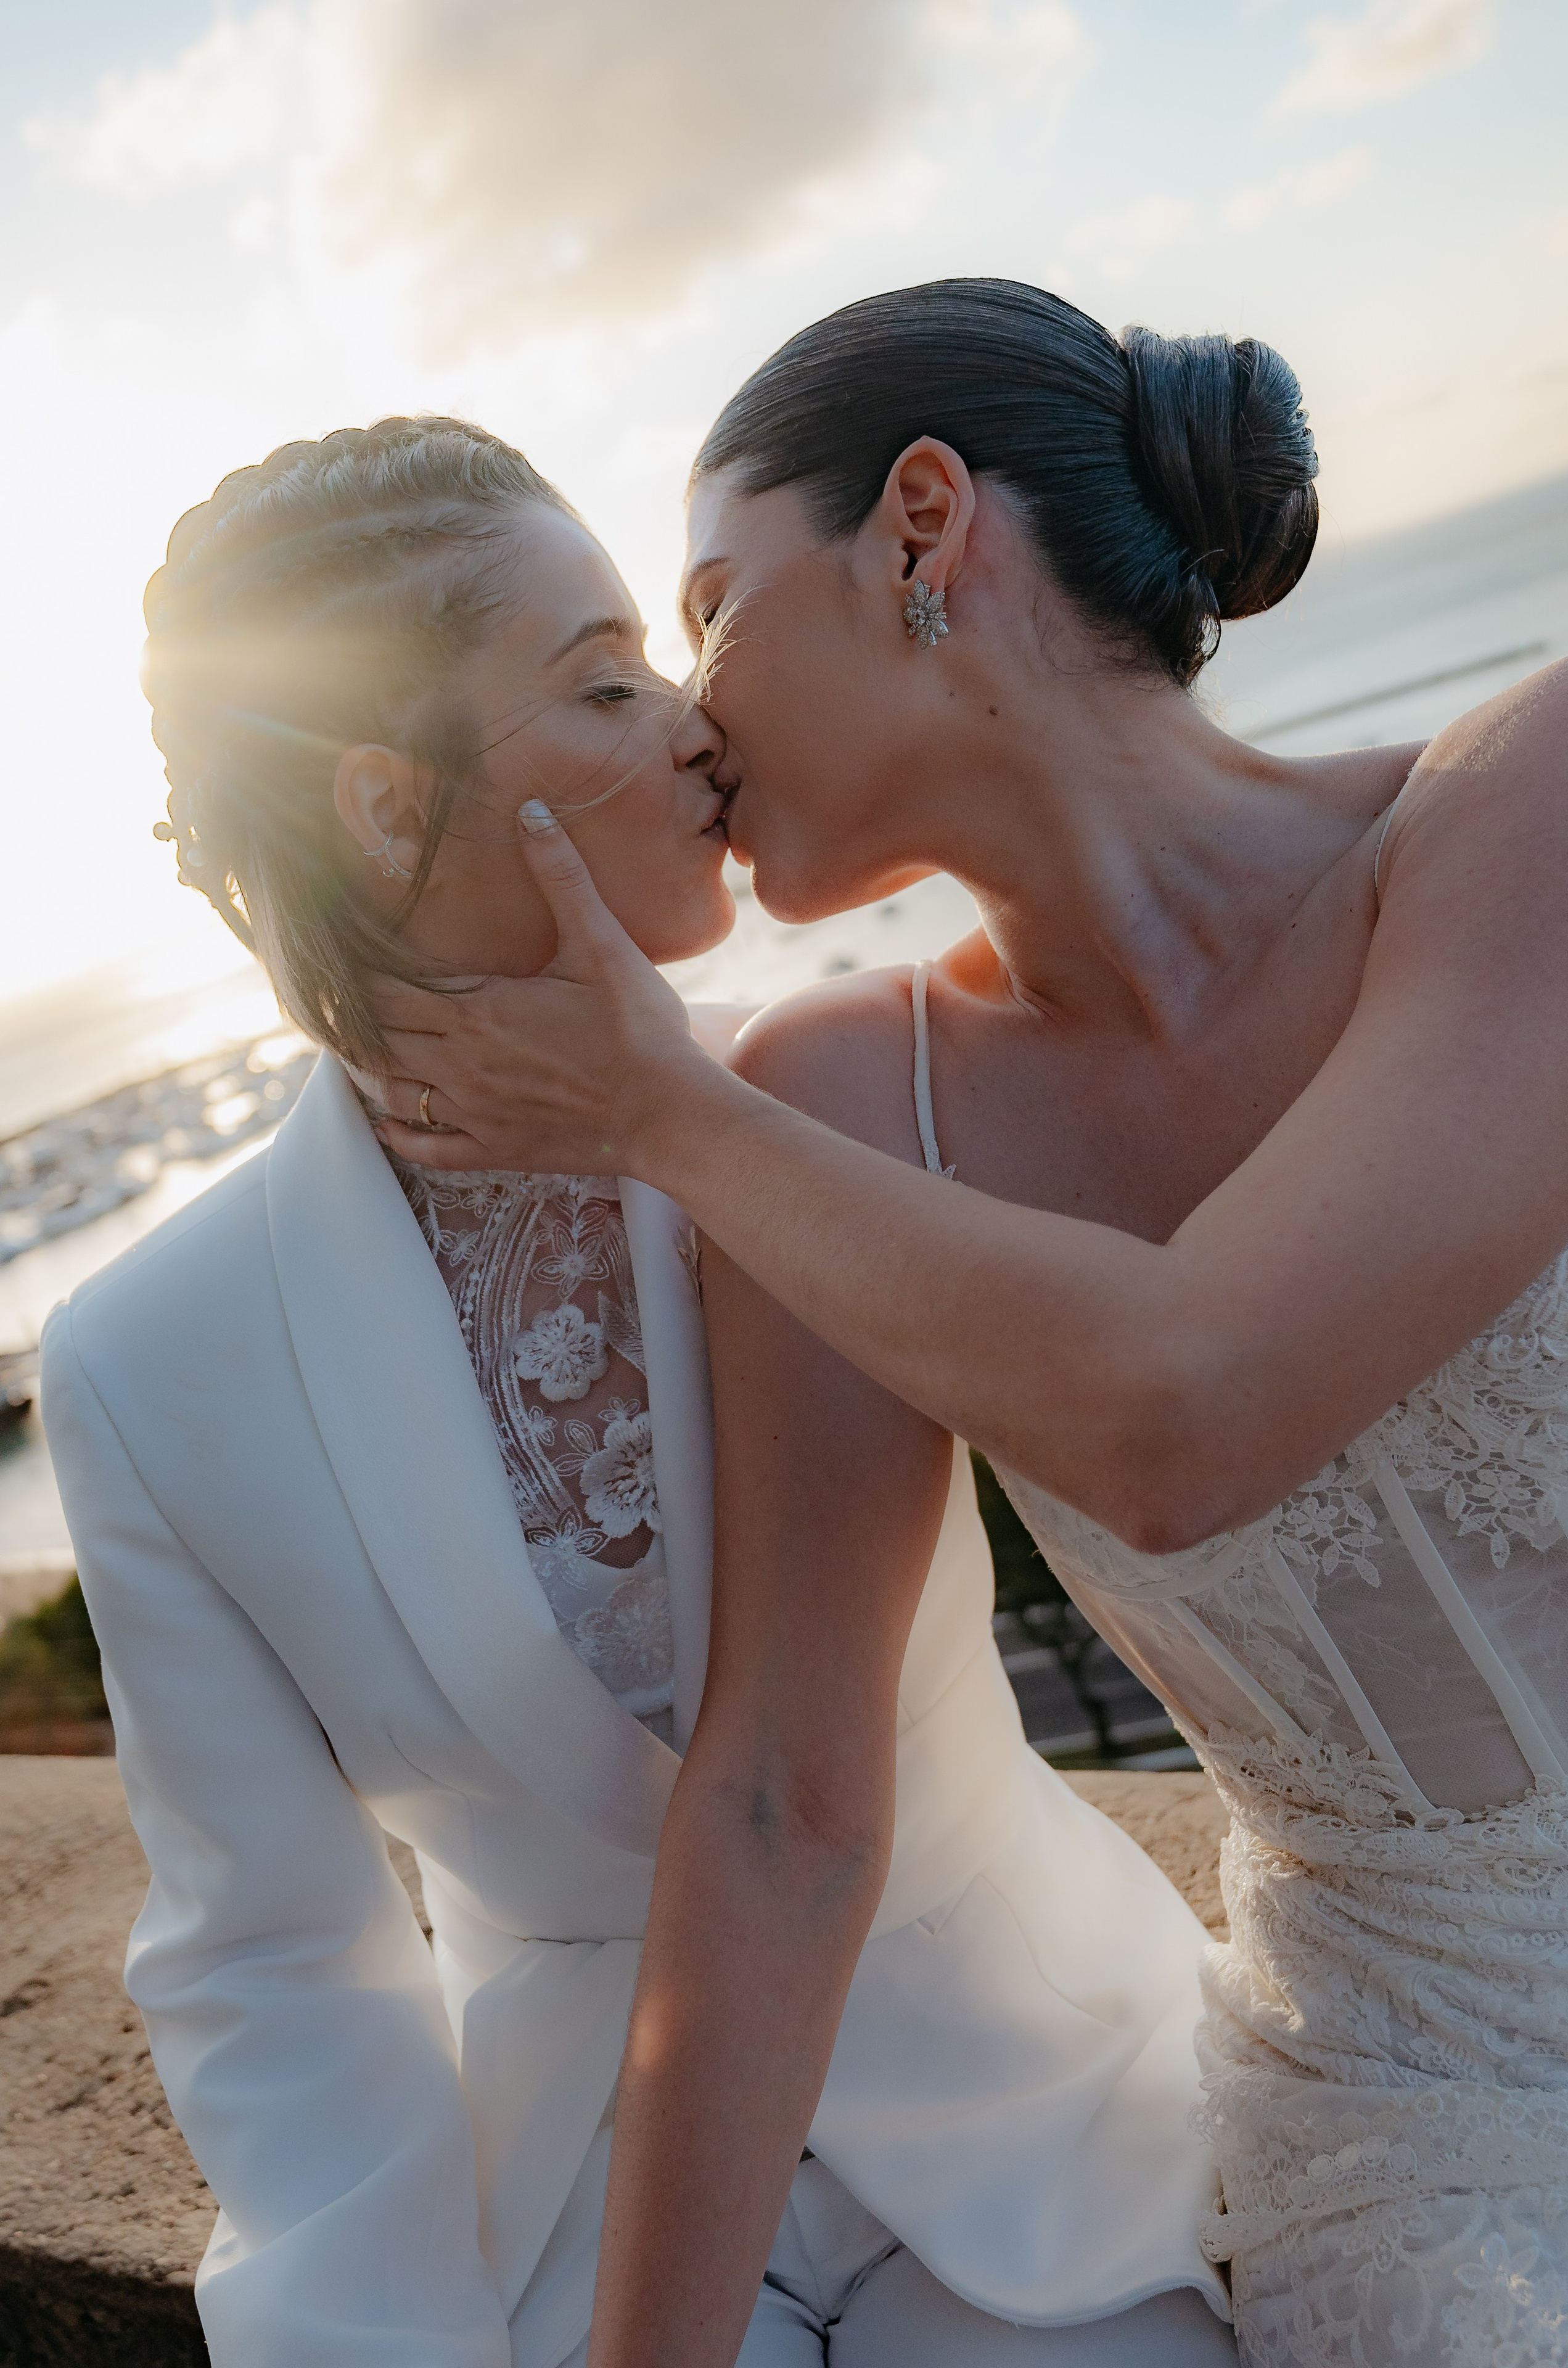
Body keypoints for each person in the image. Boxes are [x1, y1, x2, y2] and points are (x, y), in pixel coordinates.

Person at [372, 282, 1568, 2367]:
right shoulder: (838, 1113)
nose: (688, 724)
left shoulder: (1524, 807)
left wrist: (654, 1107)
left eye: (710, 608)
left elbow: (1192, 1407)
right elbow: (777, 1807)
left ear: (925, 527)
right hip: (1425, 2106)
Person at [41, 414, 1234, 2368]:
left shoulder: (859, 1104)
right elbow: (270, 1958)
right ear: (381, 803)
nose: (698, 726)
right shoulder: (148, 1361)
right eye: (605, 682)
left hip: (1045, 2110)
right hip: (572, 2208)